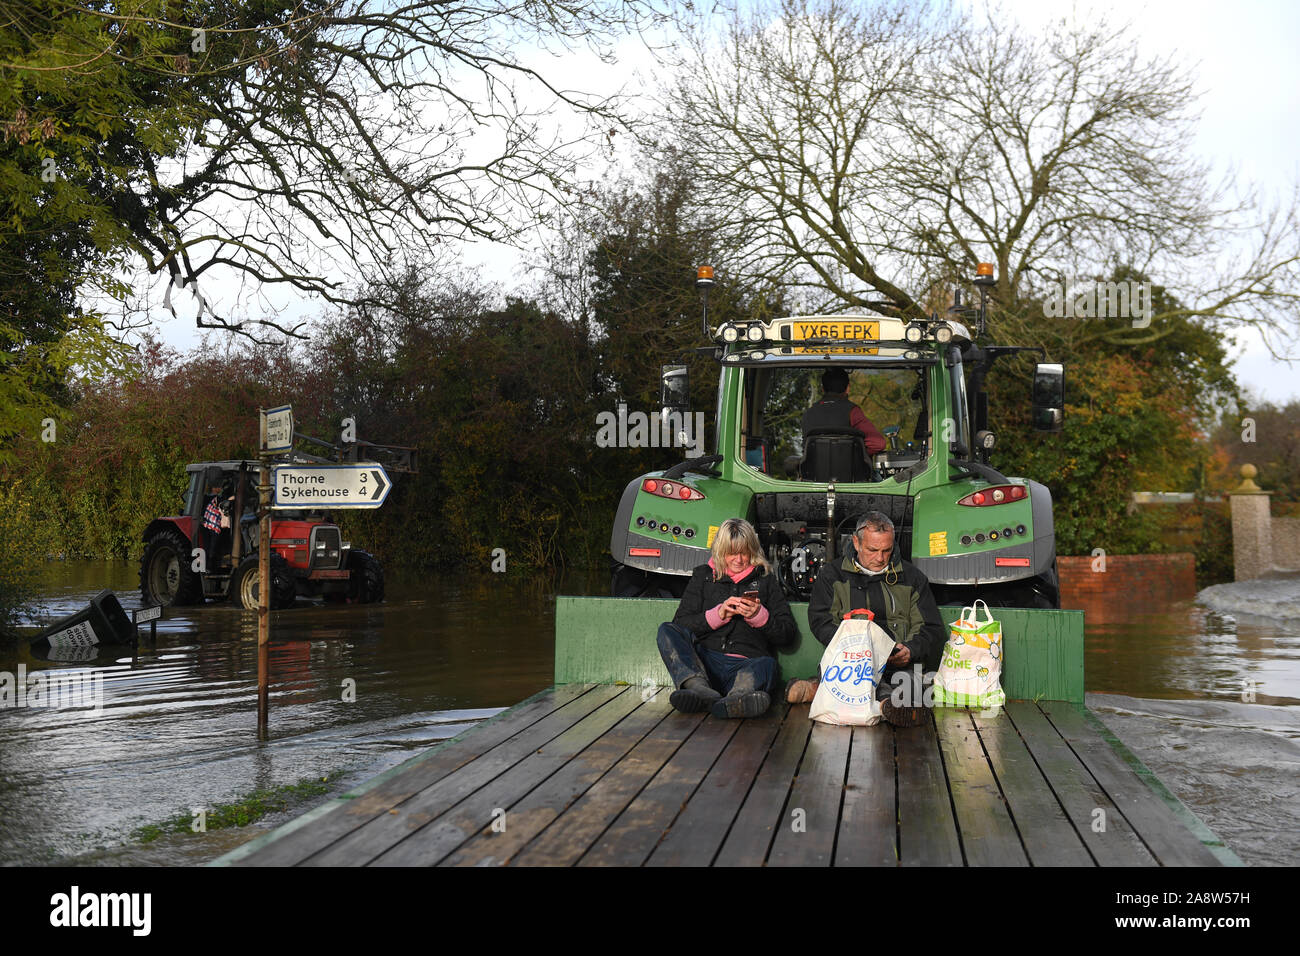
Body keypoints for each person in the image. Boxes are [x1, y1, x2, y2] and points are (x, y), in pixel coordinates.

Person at [790, 511, 947, 725]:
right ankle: (886, 705)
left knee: (913, 690)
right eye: (873, 550)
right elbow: (821, 622)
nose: (880, 558)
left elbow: (931, 627)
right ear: (856, 542)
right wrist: (857, 649)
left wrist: (910, 650)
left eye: (887, 550)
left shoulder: (913, 578)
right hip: (851, 664)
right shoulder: (832, 575)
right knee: (866, 680)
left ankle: (817, 688)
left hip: (901, 665)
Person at [656, 517, 798, 718]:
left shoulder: (766, 580)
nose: (738, 560)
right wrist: (718, 615)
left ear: (753, 550)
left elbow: (787, 634)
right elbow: (681, 624)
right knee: (667, 630)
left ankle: (737, 697)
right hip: (705, 664)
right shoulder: (703, 576)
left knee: (767, 665)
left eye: (744, 553)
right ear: (720, 552)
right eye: (732, 553)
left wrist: (760, 616)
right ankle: (697, 688)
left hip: (746, 666)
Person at [801, 367, 887, 457]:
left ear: (823, 389)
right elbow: (878, 444)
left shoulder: (808, 414)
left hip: (813, 470)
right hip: (851, 471)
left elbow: (806, 450)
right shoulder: (852, 411)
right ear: (848, 388)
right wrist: (855, 453)